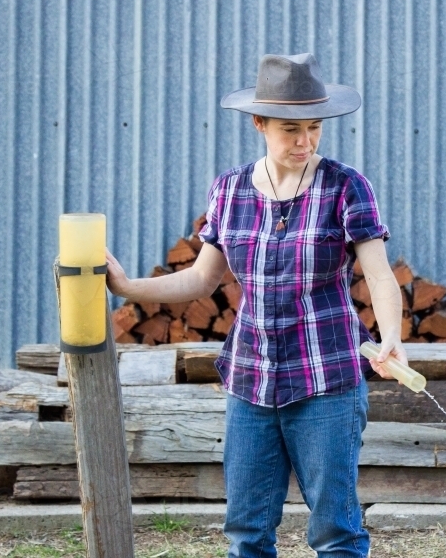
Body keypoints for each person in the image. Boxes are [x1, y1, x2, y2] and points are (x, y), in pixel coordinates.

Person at [105, 53, 406, 558]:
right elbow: (202, 279)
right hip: (251, 380)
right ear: (259, 124)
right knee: (246, 533)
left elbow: (378, 274)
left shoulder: (346, 186)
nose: (305, 141)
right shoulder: (229, 190)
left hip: (327, 379)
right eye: (291, 129)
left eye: (314, 127)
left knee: (337, 532)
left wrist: (392, 336)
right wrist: (129, 289)